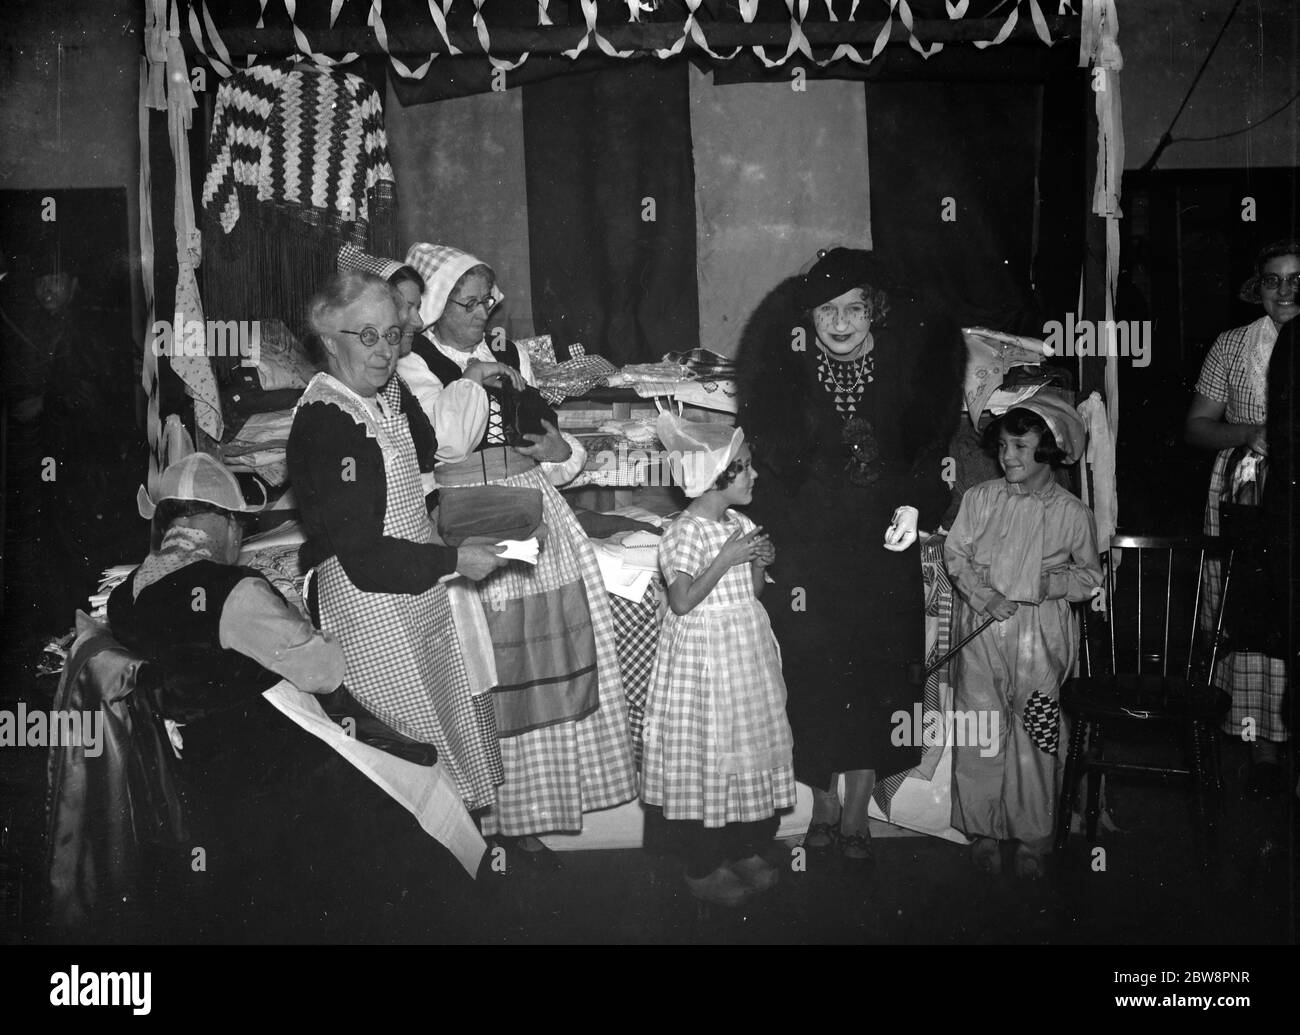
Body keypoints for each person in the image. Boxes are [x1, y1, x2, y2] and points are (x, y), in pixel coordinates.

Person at [399, 242, 636, 860]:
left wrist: (560, 452)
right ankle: (492, 814)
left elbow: (552, 449)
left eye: (487, 302)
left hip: (536, 515)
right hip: (474, 525)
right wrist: (468, 383)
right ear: (430, 307)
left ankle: (534, 808)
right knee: (493, 666)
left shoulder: (506, 354)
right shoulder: (413, 368)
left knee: (546, 655)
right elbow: (442, 450)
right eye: (467, 304)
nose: (482, 315)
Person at [736, 247, 964, 862]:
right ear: (807, 317)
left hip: (881, 552)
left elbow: (928, 459)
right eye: (827, 311)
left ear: (875, 311)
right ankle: (825, 805)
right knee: (812, 678)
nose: (840, 324)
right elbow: (770, 473)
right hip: (808, 555)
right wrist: (774, 544)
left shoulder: (904, 369)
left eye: (854, 309)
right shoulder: (786, 376)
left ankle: (859, 811)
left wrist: (918, 509)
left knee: (877, 677)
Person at [286, 270, 510, 816]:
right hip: (370, 604)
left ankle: (471, 867)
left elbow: (423, 457)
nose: (384, 351)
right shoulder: (330, 422)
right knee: (410, 765)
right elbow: (361, 557)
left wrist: (443, 527)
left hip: (411, 586)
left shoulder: (384, 393)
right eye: (366, 336)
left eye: (391, 335)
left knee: (445, 737)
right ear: (327, 336)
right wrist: (456, 559)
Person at [945, 399, 1102, 878]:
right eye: (1003, 446)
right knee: (980, 726)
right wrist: (984, 597)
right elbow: (956, 554)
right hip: (982, 625)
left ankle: (1034, 837)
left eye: (1020, 446)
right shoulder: (980, 499)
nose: (1007, 456)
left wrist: (1044, 584)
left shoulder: (1072, 513)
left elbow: (1090, 577)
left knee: (1036, 729)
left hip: (1040, 634)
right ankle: (983, 831)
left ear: (1049, 450)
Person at [641, 416, 795, 907]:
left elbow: (749, 593)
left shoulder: (740, 524)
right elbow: (683, 601)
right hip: (703, 661)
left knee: (744, 748)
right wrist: (727, 558)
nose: (755, 476)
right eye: (745, 468)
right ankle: (701, 865)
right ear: (716, 475)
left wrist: (756, 563)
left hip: (743, 653)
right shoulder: (684, 532)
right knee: (708, 754)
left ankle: (742, 846)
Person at [1184, 239, 1299, 794]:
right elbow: (1197, 425)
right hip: (1246, 491)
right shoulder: (1232, 346)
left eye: (1297, 279)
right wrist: (1249, 434)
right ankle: (1262, 746)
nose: (1286, 291)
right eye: (1274, 280)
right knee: (1253, 605)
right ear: (1260, 287)